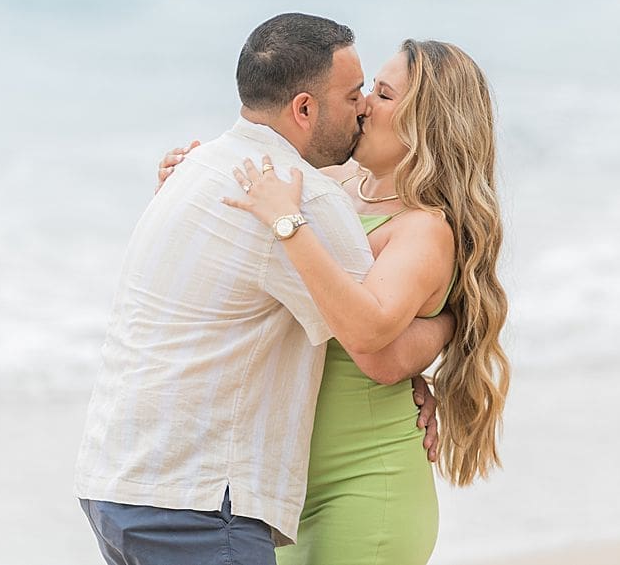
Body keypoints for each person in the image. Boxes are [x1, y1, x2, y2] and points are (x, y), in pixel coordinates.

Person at [74, 13, 453, 565]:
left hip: (117, 480)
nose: (364, 105)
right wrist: (454, 321)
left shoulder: (199, 170)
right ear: (304, 108)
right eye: (355, 94)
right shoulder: (311, 202)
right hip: (198, 500)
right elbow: (374, 339)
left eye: (376, 93)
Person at [158, 39, 510, 564]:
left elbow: (373, 349)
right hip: (281, 491)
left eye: (384, 95)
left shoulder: (424, 230)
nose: (363, 102)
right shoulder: (334, 182)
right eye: (368, 88)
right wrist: (188, 181)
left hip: (365, 486)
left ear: (426, 126)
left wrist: (288, 224)